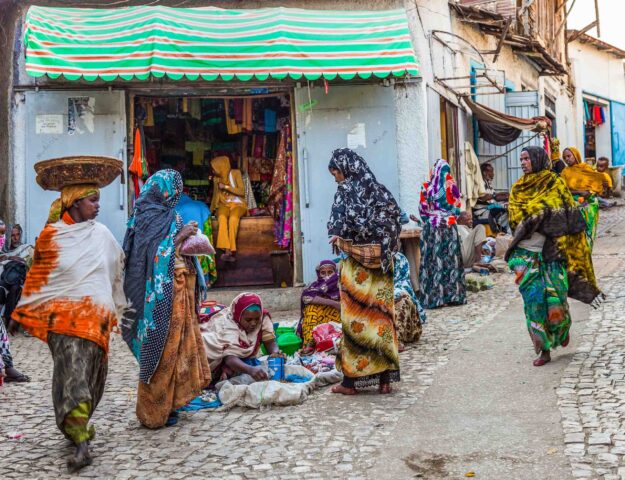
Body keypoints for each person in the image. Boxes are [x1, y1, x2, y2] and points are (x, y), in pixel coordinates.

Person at [13, 183, 127, 472]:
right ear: (74, 203)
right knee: (72, 377)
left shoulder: (101, 234)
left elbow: (116, 264)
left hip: (95, 319)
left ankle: (76, 424)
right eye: (92, 200)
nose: (98, 206)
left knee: (91, 379)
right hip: (63, 321)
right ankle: (81, 444)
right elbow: (38, 276)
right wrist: (23, 310)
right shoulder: (51, 236)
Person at [122, 170, 211, 429]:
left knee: (180, 347)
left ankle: (173, 402)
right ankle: (152, 411)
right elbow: (149, 256)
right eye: (175, 188)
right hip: (159, 299)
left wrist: (188, 236)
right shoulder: (145, 217)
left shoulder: (172, 215)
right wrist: (180, 236)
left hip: (181, 289)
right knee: (161, 351)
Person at [505, 147, 603, 367]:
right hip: (526, 255)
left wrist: (540, 217)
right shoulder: (518, 188)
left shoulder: (554, 183)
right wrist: (538, 216)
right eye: (521, 159)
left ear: (538, 159)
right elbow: (514, 218)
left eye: (527, 158)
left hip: (553, 253)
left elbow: (569, 216)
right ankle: (544, 349)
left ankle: (561, 330)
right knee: (533, 303)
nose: (523, 163)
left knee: (556, 300)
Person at [327, 148, 401, 395]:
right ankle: (385, 379)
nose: (335, 178)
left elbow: (338, 224)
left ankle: (351, 383)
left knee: (355, 320)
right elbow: (395, 219)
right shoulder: (379, 190)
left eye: (336, 172)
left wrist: (338, 235)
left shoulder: (345, 191)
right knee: (381, 319)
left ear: (345, 169)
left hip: (357, 267)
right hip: (382, 266)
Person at [415, 159, 466, 309]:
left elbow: (422, 210)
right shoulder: (452, 187)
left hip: (431, 230)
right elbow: (457, 208)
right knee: (450, 261)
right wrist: (448, 218)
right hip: (449, 228)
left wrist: (431, 219)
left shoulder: (426, 187)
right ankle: (453, 296)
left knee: (433, 261)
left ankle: (434, 298)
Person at [201, 292, 282, 382]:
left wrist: (275, 353)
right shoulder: (228, 324)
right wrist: (249, 370)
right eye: (248, 320)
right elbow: (229, 357)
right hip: (224, 357)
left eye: (256, 319)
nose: (253, 323)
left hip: (242, 359)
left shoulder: (263, 318)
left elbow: (270, 342)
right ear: (238, 316)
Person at [561, 146, 604, 249]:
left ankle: (587, 250)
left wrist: (590, 192)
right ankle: (579, 251)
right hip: (573, 202)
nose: (567, 159)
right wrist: (579, 192)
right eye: (564, 157)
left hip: (590, 203)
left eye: (569, 156)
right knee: (577, 231)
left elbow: (597, 183)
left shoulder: (586, 168)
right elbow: (563, 189)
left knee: (588, 229)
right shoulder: (564, 172)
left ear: (576, 155)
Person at [210, 156, 247, 262]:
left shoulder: (236, 173)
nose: (213, 171)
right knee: (221, 218)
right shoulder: (216, 179)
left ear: (221, 167)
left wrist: (226, 187)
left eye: (215, 168)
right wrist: (210, 210)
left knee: (233, 219)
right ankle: (227, 250)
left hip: (238, 205)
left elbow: (242, 192)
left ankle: (231, 249)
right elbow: (215, 196)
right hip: (224, 205)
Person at [297, 260, 341, 350]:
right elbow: (306, 298)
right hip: (319, 316)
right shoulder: (315, 286)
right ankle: (310, 343)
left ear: (335, 272)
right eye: (323, 273)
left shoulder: (341, 285)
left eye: (330, 272)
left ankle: (335, 342)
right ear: (318, 274)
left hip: (336, 316)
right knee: (310, 308)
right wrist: (334, 303)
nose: (327, 276)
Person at [176, 192, 217, 285]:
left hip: (185, 240)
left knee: (187, 257)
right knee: (204, 252)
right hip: (202, 232)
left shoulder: (175, 208)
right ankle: (206, 280)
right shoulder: (201, 205)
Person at [0, 224, 34, 334]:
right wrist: (9, 257)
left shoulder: (26, 248)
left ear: (20, 235)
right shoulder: (4, 250)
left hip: (19, 279)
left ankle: (8, 319)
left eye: (17, 235)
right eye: (13, 235)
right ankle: (7, 320)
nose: (15, 238)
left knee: (15, 288)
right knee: (4, 288)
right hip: (5, 277)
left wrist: (20, 260)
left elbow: (30, 264)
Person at [393, 252, 425, 345]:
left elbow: (403, 284)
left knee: (401, 297)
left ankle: (396, 338)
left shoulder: (399, 260)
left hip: (395, 292)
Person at [472, 163, 510, 233]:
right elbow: (483, 197)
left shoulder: (488, 184)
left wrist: (506, 197)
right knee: (504, 208)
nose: (493, 174)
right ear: (484, 172)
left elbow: (495, 197)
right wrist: (496, 196)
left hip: (489, 207)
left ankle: (501, 227)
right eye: (491, 171)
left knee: (507, 206)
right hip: (481, 210)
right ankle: (501, 228)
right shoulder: (480, 183)